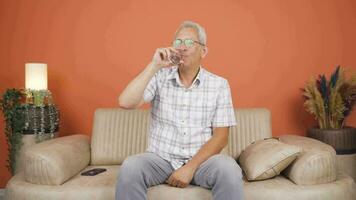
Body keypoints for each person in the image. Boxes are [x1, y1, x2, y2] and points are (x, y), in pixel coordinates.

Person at [116, 20, 244, 200]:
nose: (182, 47)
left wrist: (190, 167)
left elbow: (221, 137)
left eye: (190, 42)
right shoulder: (159, 76)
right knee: (130, 167)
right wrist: (154, 66)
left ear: (204, 51)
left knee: (229, 169)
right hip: (161, 160)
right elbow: (125, 102)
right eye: (178, 42)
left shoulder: (219, 85)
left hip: (202, 162)